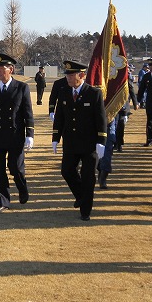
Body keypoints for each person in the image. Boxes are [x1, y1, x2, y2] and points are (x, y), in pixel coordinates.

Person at [51, 61, 106, 220]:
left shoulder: (94, 93)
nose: (68, 77)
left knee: (88, 177)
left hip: (89, 143)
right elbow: (59, 117)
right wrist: (56, 138)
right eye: (67, 74)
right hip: (71, 142)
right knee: (66, 171)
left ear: (81, 75)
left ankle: (85, 211)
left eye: (71, 74)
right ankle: (81, 196)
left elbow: (100, 118)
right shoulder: (64, 92)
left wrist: (101, 140)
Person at [0, 53, 34, 212]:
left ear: (11, 69)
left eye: (1, 68)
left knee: (15, 167)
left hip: (15, 134)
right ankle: (2, 201)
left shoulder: (22, 87)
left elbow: (27, 112)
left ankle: (22, 188)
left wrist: (30, 134)